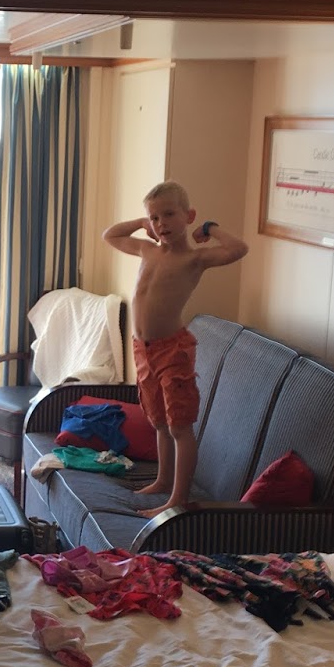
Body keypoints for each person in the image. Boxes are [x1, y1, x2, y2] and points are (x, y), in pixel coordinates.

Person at [103, 181, 248, 511]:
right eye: (155, 218)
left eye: (169, 214)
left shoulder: (194, 259)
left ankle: (178, 499)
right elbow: (110, 235)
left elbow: (238, 249)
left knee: (179, 425)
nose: (161, 224)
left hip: (173, 350)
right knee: (158, 422)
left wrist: (210, 228)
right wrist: (140, 223)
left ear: (188, 216)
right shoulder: (147, 250)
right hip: (143, 349)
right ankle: (163, 480)